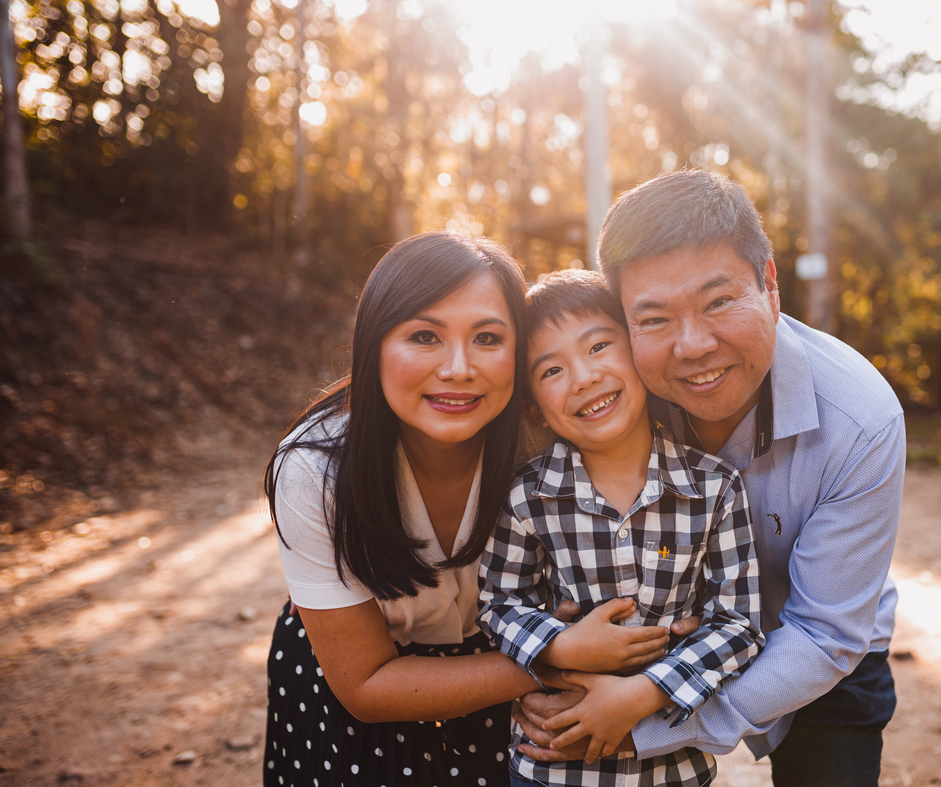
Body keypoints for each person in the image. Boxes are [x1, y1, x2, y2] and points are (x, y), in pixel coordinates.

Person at [516, 171, 905, 786]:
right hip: (662, 645)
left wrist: (648, 712)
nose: (693, 346)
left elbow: (826, 632)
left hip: (820, 656)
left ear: (769, 286)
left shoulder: (861, 420)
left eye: (719, 301)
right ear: (624, 322)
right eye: (655, 319)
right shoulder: (615, 391)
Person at [261, 232, 671, 786]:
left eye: (487, 338)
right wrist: (551, 660)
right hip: (359, 707)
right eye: (425, 336)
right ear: (374, 343)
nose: (458, 368)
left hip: (516, 703)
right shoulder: (316, 471)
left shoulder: (549, 436)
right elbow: (363, 684)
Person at [477, 269, 764, 787]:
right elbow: (497, 604)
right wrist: (559, 646)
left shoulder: (714, 488)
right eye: (551, 371)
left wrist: (649, 689)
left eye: (599, 347)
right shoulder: (526, 497)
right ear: (534, 411)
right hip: (552, 763)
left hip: (671, 764)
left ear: (637, 351)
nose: (583, 378)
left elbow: (738, 625)